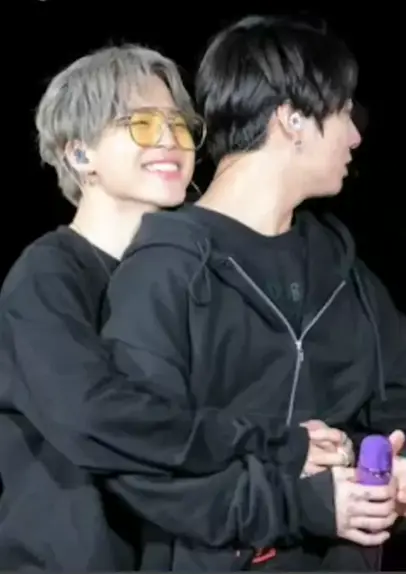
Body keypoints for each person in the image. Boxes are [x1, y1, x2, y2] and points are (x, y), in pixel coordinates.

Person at [0, 42, 353, 571]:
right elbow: (100, 420)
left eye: (180, 126)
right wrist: (275, 447)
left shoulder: (194, 267)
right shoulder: (45, 278)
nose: (169, 140)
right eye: (142, 124)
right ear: (79, 155)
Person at [99, 16, 406, 571]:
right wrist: (300, 505)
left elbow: (395, 401)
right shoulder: (166, 270)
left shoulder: (344, 270)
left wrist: (394, 466)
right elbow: (140, 462)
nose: (356, 135)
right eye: (343, 111)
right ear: (292, 119)